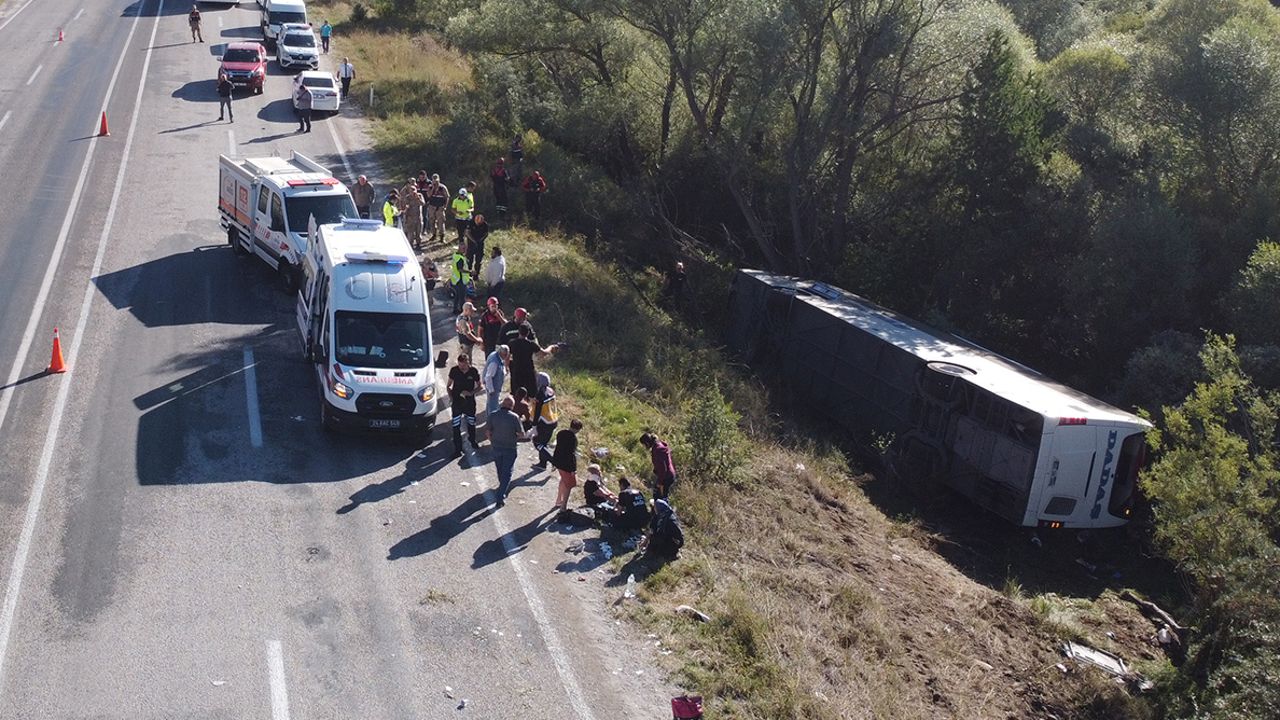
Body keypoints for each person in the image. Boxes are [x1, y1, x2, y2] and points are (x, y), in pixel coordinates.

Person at [486, 396, 522, 505]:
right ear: (512, 406)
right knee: (507, 472)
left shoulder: (492, 415)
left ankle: (501, 488)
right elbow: (521, 434)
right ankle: (500, 496)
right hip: (510, 448)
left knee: (500, 469)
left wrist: (492, 441)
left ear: (502, 404)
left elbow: (488, 432)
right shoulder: (515, 417)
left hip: (496, 447)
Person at [508, 323, 557, 397]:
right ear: (528, 333)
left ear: (519, 332)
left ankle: (517, 407)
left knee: (516, 394)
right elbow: (543, 353)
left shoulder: (512, 343)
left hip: (516, 371)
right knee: (531, 394)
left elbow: (507, 356)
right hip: (528, 371)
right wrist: (551, 347)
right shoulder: (531, 344)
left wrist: (506, 366)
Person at [447, 354, 480, 457]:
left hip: (469, 402)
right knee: (456, 425)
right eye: (460, 365)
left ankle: (472, 439)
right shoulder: (454, 370)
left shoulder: (473, 371)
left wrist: (471, 393)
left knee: (471, 422)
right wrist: (451, 397)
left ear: (467, 363)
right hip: (457, 402)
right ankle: (457, 449)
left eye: (463, 365)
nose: (461, 367)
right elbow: (448, 386)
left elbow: (480, 386)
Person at [552, 418, 583, 511]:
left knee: (563, 480)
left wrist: (554, 462)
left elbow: (557, 448)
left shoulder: (561, 433)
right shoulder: (573, 438)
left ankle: (559, 500)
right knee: (569, 485)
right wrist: (573, 469)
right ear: (577, 429)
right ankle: (563, 506)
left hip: (558, 461)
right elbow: (571, 454)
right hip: (567, 465)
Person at [531, 372, 559, 470]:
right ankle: (542, 464)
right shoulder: (551, 391)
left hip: (544, 422)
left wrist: (534, 425)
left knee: (537, 443)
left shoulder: (540, 394)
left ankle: (553, 461)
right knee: (544, 443)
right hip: (553, 420)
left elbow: (538, 411)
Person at [641, 432, 678, 499]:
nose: (644, 447)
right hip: (668, 475)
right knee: (662, 495)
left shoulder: (657, 449)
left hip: (666, 476)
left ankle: (663, 508)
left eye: (644, 445)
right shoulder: (659, 445)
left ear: (647, 443)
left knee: (659, 497)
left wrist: (660, 483)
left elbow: (663, 468)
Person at [482, 344, 509, 420]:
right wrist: (491, 390)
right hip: (493, 387)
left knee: (490, 404)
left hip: (493, 386)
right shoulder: (494, 363)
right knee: (493, 407)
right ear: (500, 353)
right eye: (505, 355)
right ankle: (492, 423)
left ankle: (488, 419)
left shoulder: (494, 355)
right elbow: (489, 377)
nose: (506, 356)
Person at [426, 174, 450, 243]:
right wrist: (433, 188)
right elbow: (428, 195)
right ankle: (434, 234)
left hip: (440, 207)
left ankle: (442, 236)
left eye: (436, 181)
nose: (435, 182)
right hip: (432, 206)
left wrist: (445, 206)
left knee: (441, 222)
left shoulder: (443, 187)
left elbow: (447, 197)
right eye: (434, 180)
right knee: (431, 221)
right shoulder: (430, 187)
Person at [449, 242, 472, 314]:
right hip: (460, 280)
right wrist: (470, 272)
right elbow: (460, 269)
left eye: (465, 248)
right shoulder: (460, 258)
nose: (465, 250)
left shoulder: (455, 255)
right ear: (459, 248)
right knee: (462, 297)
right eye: (463, 248)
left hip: (455, 279)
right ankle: (463, 312)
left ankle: (455, 309)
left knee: (457, 296)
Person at [400, 183, 425, 248]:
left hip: (418, 217)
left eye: (414, 190)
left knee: (418, 232)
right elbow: (404, 207)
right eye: (411, 190)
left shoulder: (419, 195)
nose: (413, 192)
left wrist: (418, 198)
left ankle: (418, 245)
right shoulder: (407, 197)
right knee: (410, 233)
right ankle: (410, 246)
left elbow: (423, 204)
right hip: (410, 218)